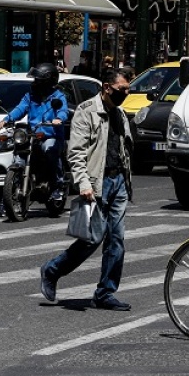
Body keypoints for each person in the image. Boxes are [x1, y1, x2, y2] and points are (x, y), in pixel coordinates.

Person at [39, 67, 135, 311]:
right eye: (122, 89)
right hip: (97, 183)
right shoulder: (87, 111)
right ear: (107, 88)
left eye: (128, 89)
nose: (126, 93)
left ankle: (105, 293)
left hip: (118, 182)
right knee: (92, 239)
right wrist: (83, 183)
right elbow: (76, 153)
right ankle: (52, 270)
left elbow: (123, 149)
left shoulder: (120, 113)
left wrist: (126, 180)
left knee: (116, 241)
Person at [0, 63, 70, 216]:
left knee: (49, 149)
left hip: (50, 135)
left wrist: (59, 119)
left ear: (48, 81)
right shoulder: (30, 96)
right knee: (18, 159)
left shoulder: (58, 96)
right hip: (32, 135)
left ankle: (58, 186)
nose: (35, 82)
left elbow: (63, 111)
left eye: (38, 80)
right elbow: (20, 109)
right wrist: (7, 119)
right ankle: (6, 199)